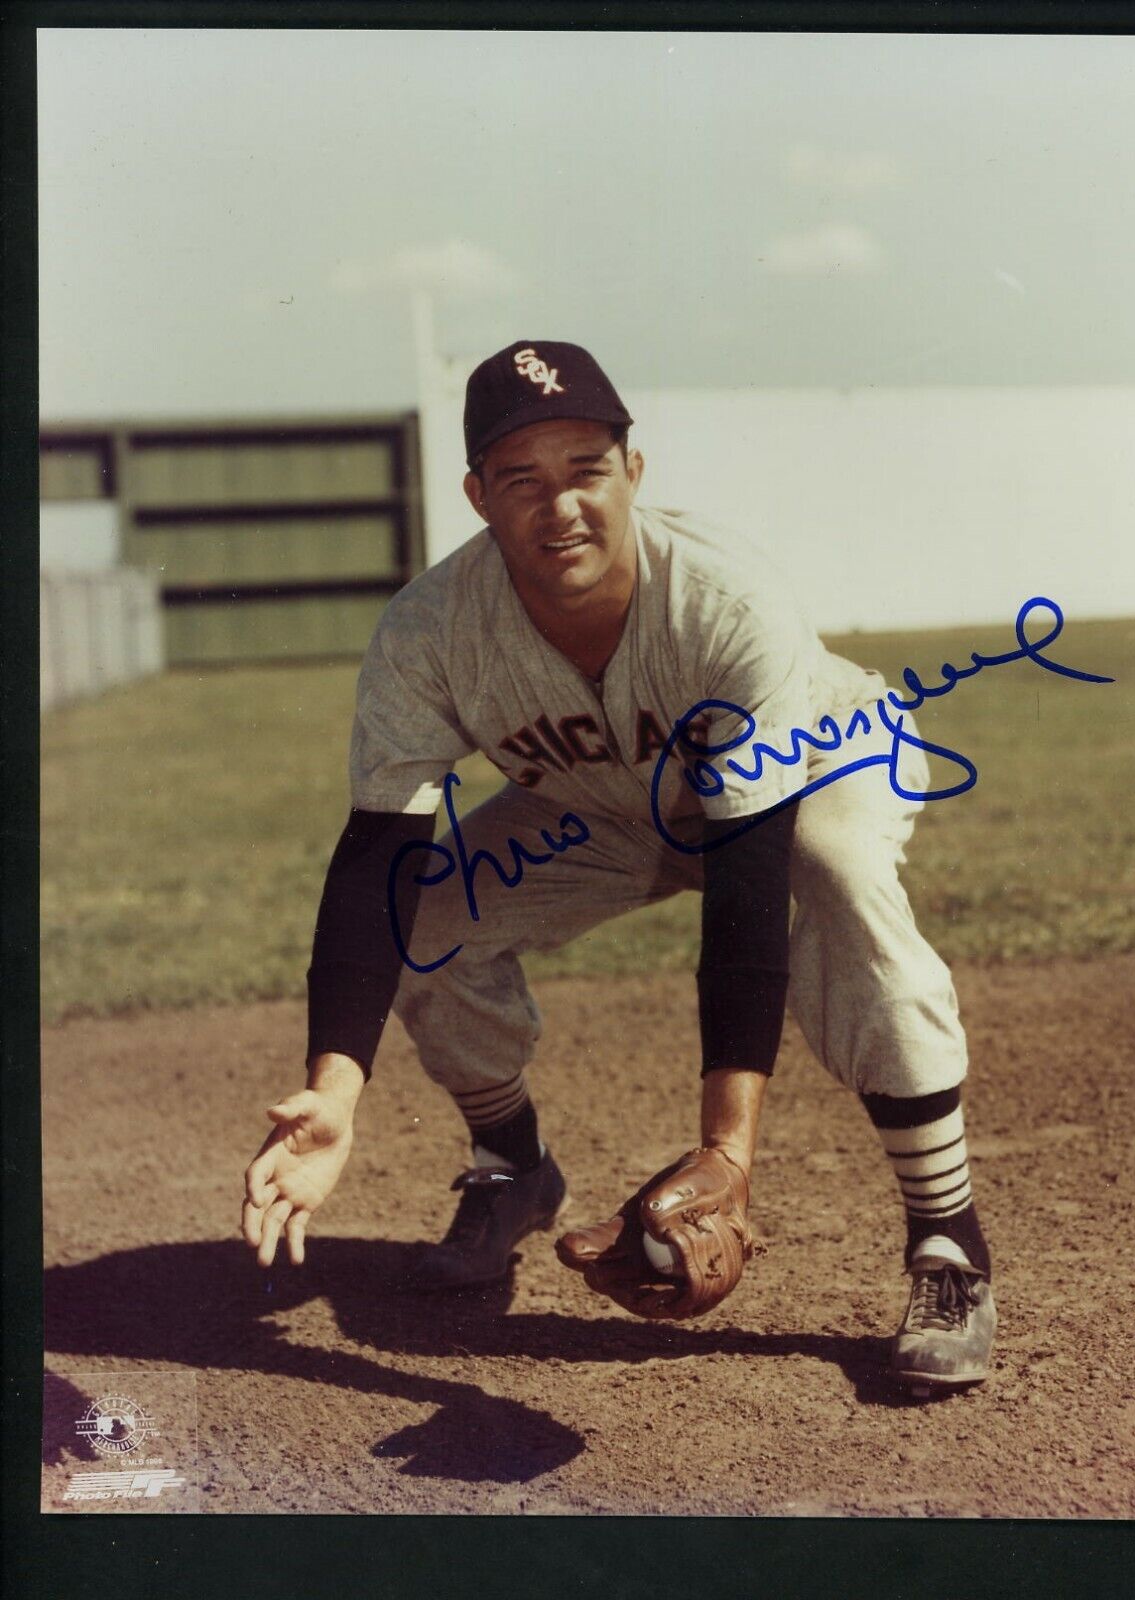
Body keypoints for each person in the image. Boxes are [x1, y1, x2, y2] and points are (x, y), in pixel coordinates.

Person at [241, 340, 996, 1392]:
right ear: (478, 497)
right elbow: (378, 856)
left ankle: (947, 1241)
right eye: (522, 480)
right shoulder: (428, 632)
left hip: (820, 760)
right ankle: (512, 1167)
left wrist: (725, 1151)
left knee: (832, 870)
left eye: (586, 468)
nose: (562, 507)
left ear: (632, 471)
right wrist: (336, 1087)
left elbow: (745, 883)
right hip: (599, 803)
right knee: (430, 922)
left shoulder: (725, 605)